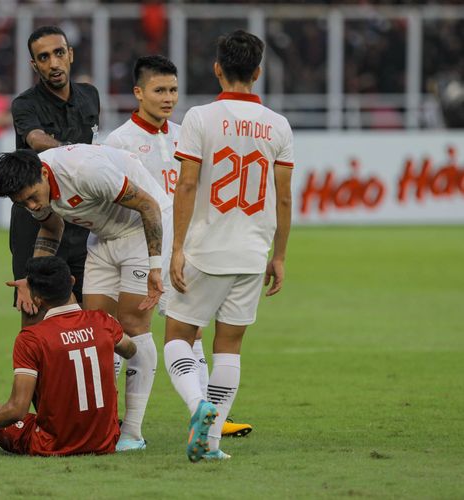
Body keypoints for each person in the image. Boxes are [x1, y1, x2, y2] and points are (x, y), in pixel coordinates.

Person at [104, 55, 252, 440]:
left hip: (183, 251)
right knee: (128, 332)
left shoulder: (186, 132)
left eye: (173, 90)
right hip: (138, 250)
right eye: (159, 90)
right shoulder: (119, 141)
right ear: (139, 93)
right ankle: (115, 420)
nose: (168, 98)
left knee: (192, 332)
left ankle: (210, 414)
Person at [163, 30, 294, 462]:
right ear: (258, 72)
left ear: (217, 68)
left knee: (178, 337)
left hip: (206, 249)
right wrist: (279, 255)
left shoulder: (200, 118)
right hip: (252, 253)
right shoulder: (278, 125)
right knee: (230, 346)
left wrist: (177, 247)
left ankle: (197, 406)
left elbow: (186, 184)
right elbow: (285, 197)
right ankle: (213, 441)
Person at [0, 143, 169, 451]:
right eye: (23, 203)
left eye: (33, 197)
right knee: (95, 327)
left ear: (44, 174)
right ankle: (107, 422)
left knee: (131, 324)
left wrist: (156, 266)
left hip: (142, 230)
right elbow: (51, 225)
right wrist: (33, 280)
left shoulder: (86, 171)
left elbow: (149, 206)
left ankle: (133, 431)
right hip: (103, 237)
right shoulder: (35, 190)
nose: (32, 206)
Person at [0, 256, 137, 456]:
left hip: (52, 443)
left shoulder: (32, 338)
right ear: (72, 281)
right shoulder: (102, 321)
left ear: (36, 298)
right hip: (105, 441)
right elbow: (130, 349)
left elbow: (16, 410)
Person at [9, 25, 100, 325]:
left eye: (59, 53)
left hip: (81, 223)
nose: (53, 63)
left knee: (85, 319)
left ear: (70, 54)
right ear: (34, 65)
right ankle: (30, 373)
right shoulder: (24, 104)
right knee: (36, 320)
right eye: (44, 57)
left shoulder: (90, 96)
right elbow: (35, 138)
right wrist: (76, 154)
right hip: (36, 223)